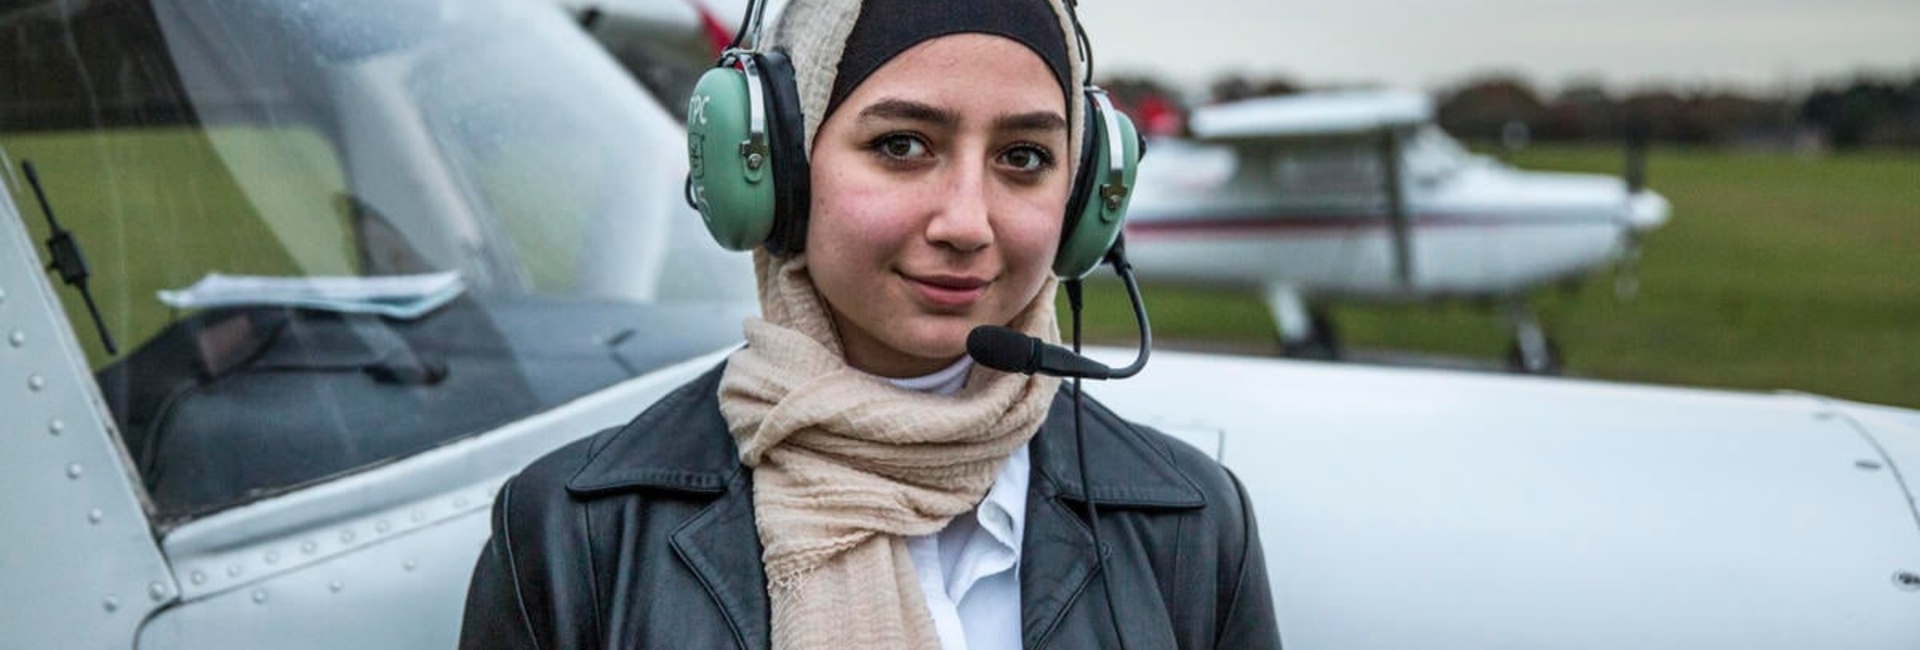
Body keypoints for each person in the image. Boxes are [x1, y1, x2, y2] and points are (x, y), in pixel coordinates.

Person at [458, 0, 1281, 648]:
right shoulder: (576, 534)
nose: (967, 222)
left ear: (1082, 195)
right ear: (777, 168)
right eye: (901, 146)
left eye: (1024, 158)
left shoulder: (1193, 526)